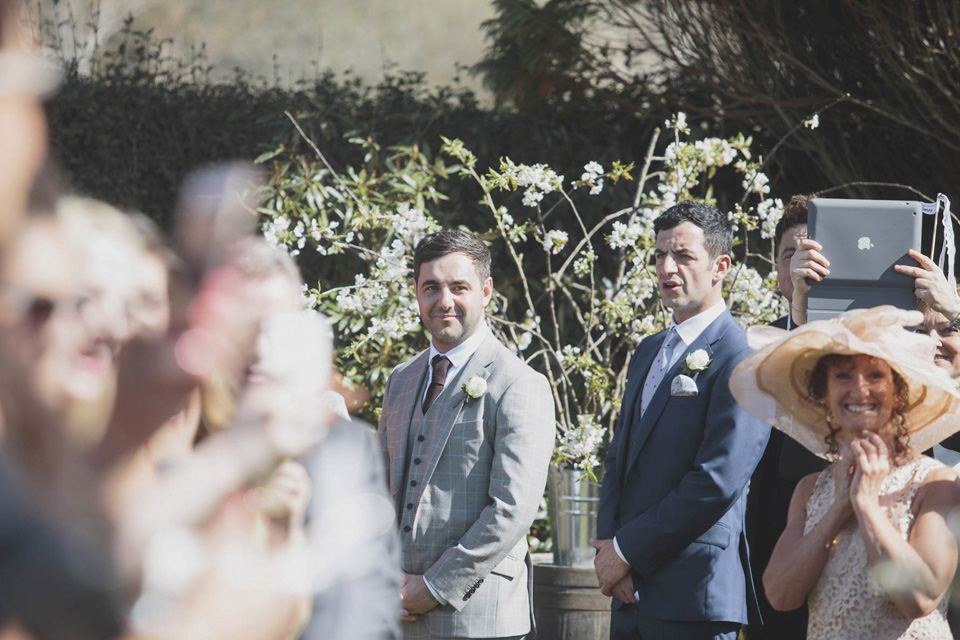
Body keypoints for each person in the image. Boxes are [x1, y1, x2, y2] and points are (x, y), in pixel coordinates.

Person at [594, 201, 771, 640]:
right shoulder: (648, 350)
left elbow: (716, 479)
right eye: (659, 256)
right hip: (628, 593)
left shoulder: (743, 357)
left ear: (720, 266)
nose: (667, 267)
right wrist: (609, 554)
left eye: (684, 256)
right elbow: (619, 458)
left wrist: (628, 551)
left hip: (696, 596)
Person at [731, 305, 960, 639]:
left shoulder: (936, 483)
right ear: (823, 394)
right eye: (842, 375)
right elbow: (779, 595)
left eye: (875, 375)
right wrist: (838, 507)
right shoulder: (809, 490)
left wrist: (866, 505)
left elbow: (920, 598)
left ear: (899, 391)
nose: (859, 389)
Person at [376, 229, 554, 640]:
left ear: (486, 290)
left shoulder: (519, 383)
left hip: (479, 619)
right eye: (431, 287)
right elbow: (379, 490)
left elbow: (511, 510)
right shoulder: (400, 381)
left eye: (459, 287)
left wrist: (434, 586)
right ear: (416, 292)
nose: (444, 301)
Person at [745, 194, 825, 640]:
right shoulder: (757, 342)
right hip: (774, 543)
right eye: (788, 254)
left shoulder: (882, 337)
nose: (799, 264)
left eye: (811, 251)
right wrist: (800, 312)